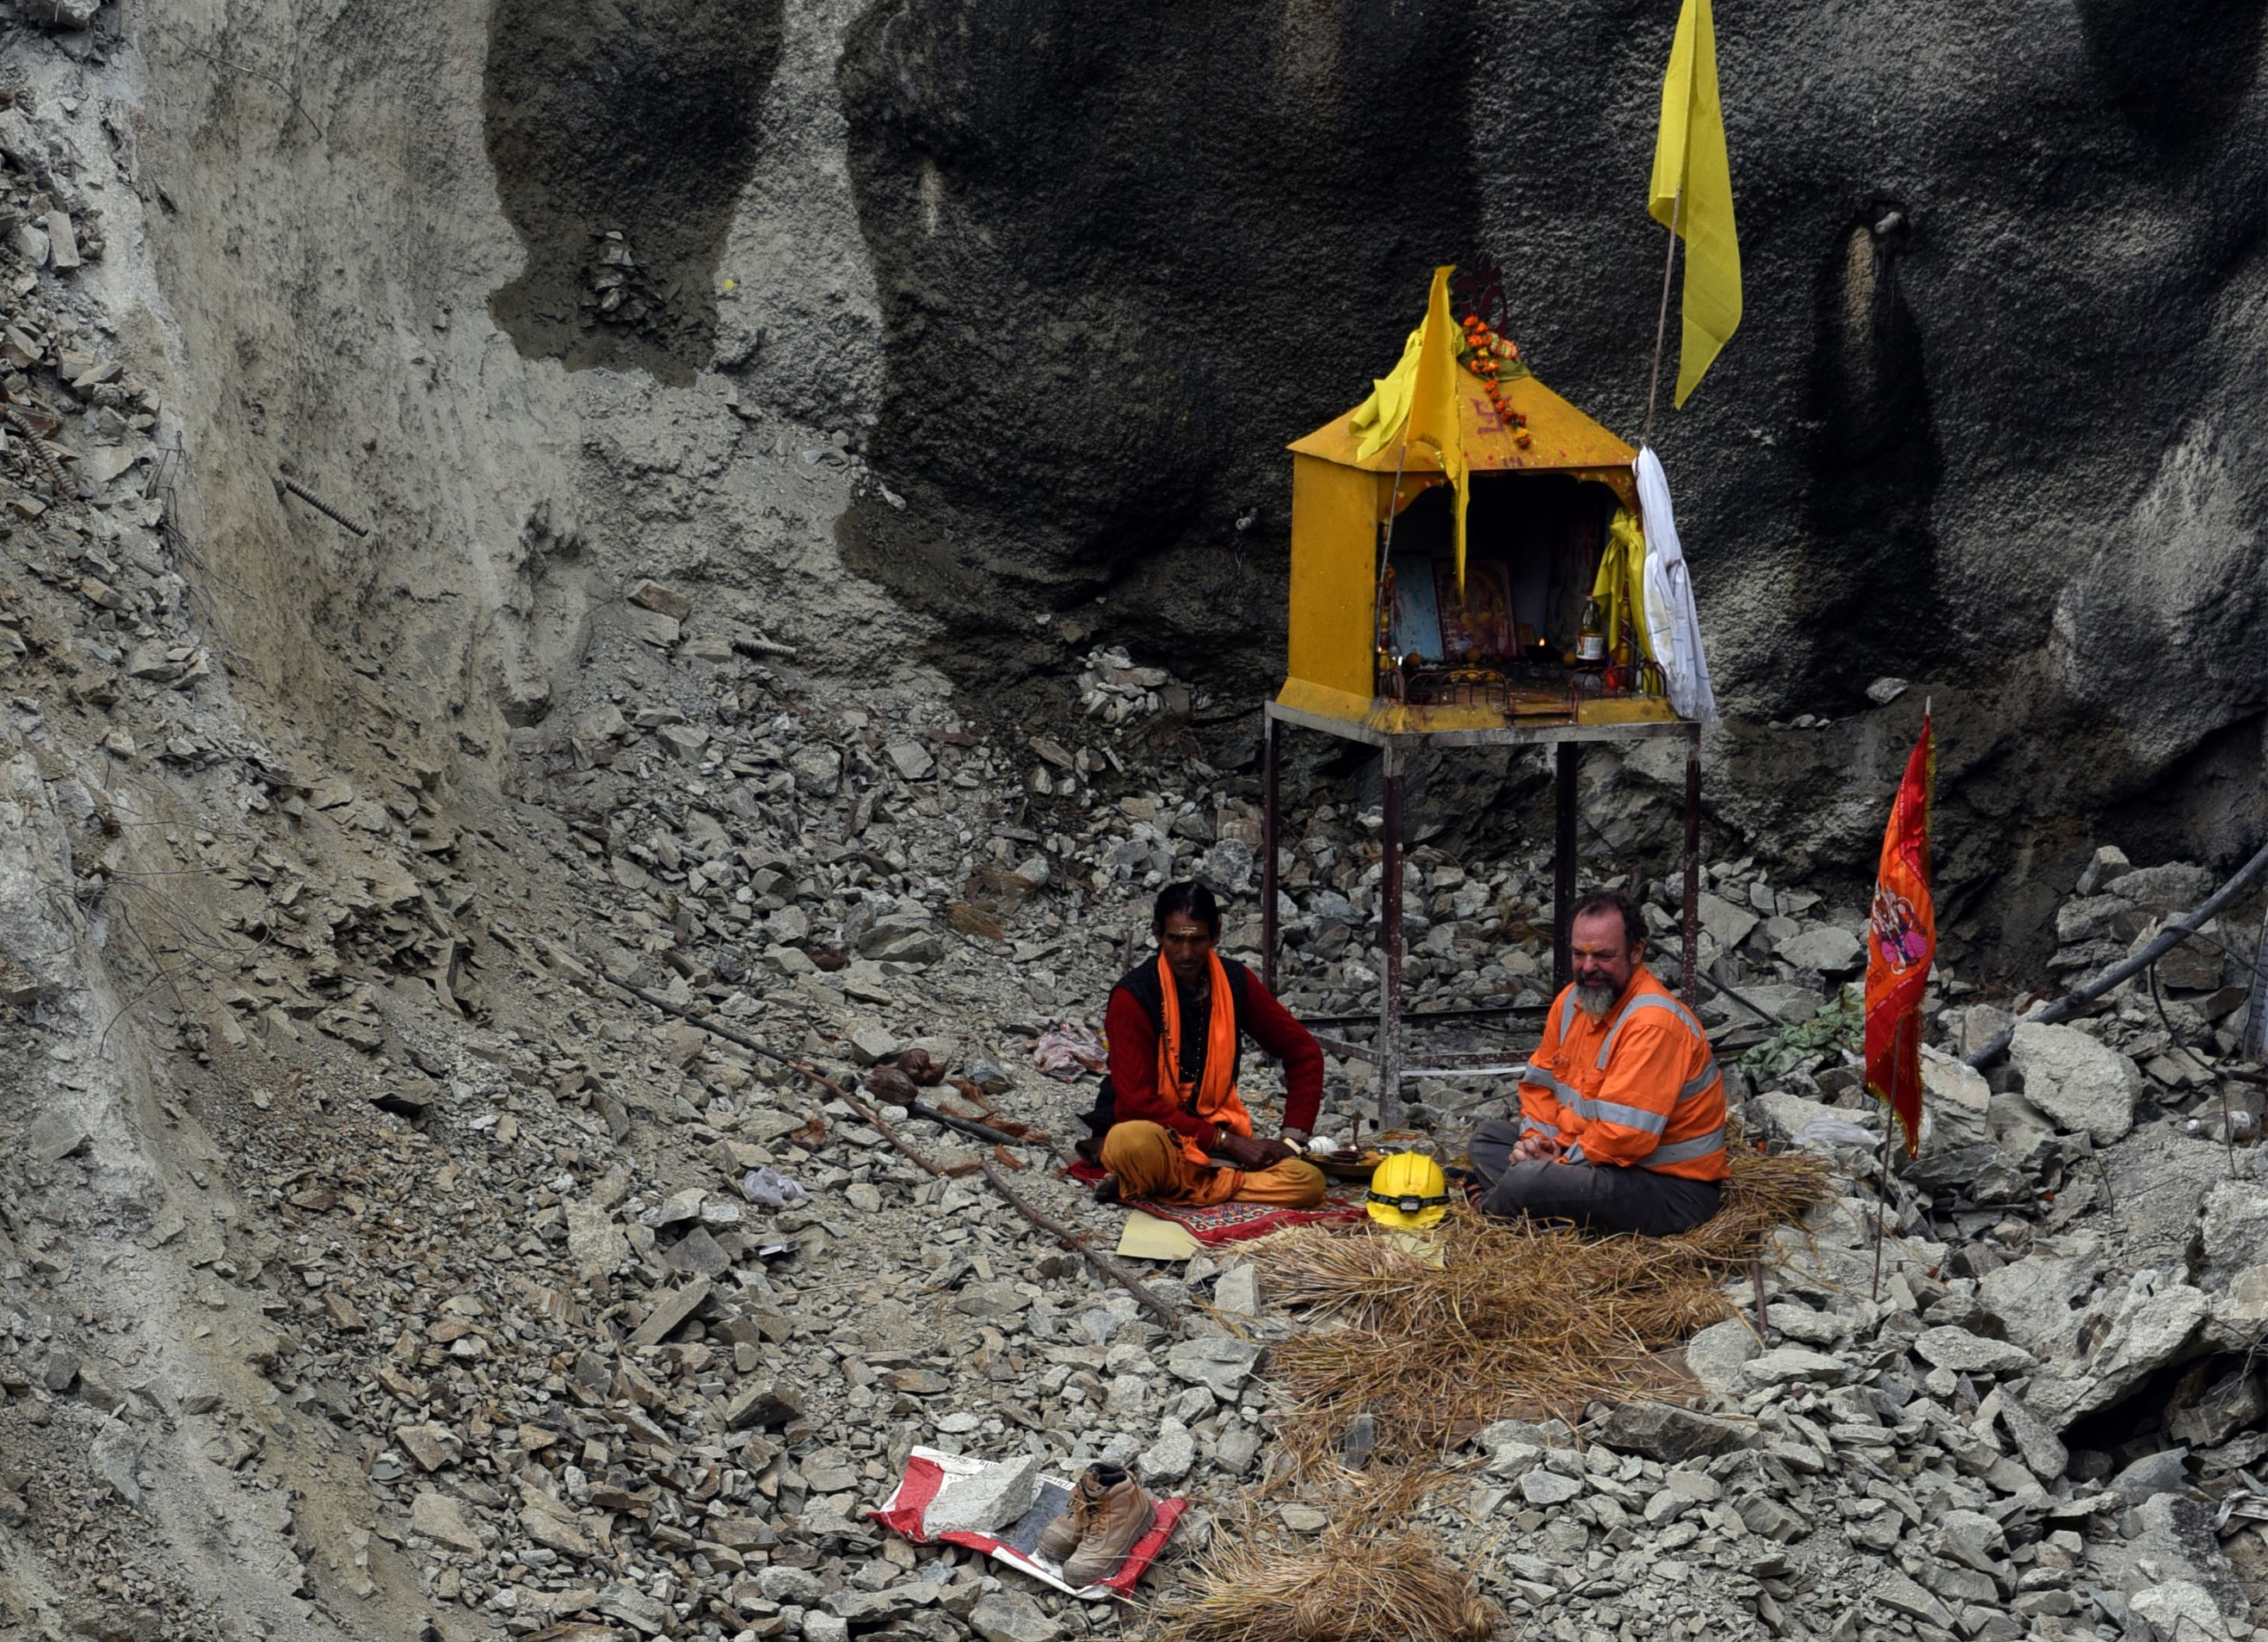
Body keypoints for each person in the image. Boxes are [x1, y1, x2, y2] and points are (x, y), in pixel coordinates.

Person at [1467, 888, 1726, 1236]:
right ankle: (1540, 1204)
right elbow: (1540, 1087)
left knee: (1528, 1180)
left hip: (1668, 1186)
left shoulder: (1652, 1023)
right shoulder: (1570, 1002)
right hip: (1587, 1156)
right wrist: (1534, 1143)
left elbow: (1625, 1137)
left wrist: (1556, 1165)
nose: (1588, 968)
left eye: (1603, 956)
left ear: (1636, 951)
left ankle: (1494, 1209)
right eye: (1578, 954)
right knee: (1488, 1138)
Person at [1088, 882, 1328, 1208]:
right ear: (1157, 933)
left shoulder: (1235, 981)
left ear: (1215, 934)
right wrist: (1227, 1142)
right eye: (1175, 939)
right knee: (1132, 1143)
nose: (1186, 954)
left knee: (1308, 1183)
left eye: (1197, 939)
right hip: (1157, 1136)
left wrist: (1292, 1141)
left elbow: (1304, 1052)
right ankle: (1194, 1180)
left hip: (1215, 1146)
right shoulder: (1133, 996)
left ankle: (1153, 1182)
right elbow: (1136, 1104)